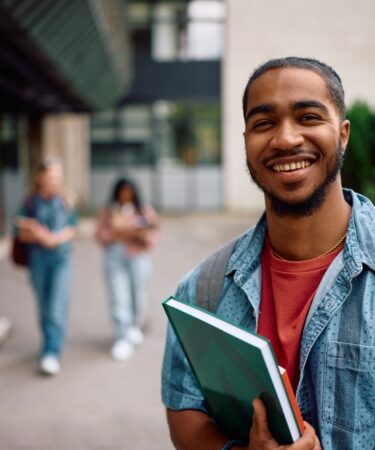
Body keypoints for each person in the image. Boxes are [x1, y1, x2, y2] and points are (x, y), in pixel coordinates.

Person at [161, 56, 375, 450]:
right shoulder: (201, 289)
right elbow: (184, 408)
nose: (286, 139)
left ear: (342, 134)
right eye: (263, 124)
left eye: (308, 117)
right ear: (246, 142)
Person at [14, 157, 77, 375]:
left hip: (61, 259)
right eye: (50, 176)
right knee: (44, 306)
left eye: (57, 176)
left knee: (56, 306)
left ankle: (51, 352)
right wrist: (37, 235)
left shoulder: (66, 199)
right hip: (38, 260)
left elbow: (72, 228)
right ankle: (49, 343)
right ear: (40, 177)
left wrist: (54, 238)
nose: (54, 180)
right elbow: (19, 232)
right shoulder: (30, 202)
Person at [96, 178, 159, 361]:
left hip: (137, 256)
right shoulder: (109, 211)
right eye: (122, 191)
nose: (125, 195)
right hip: (114, 257)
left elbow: (154, 232)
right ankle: (122, 336)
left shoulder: (143, 210)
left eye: (129, 191)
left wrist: (141, 234)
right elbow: (99, 233)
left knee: (138, 295)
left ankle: (134, 326)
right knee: (118, 297)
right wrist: (116, 232)